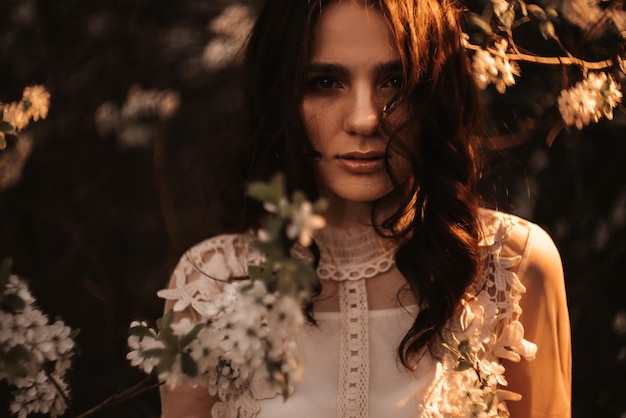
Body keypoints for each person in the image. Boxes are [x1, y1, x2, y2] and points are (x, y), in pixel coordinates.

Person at [159, 0, 572, 416]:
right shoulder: (210, 283)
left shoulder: (510, 267)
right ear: (281, 95)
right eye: (325, 82)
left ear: (434, 93)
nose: (365, 119)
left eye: (394, 80)